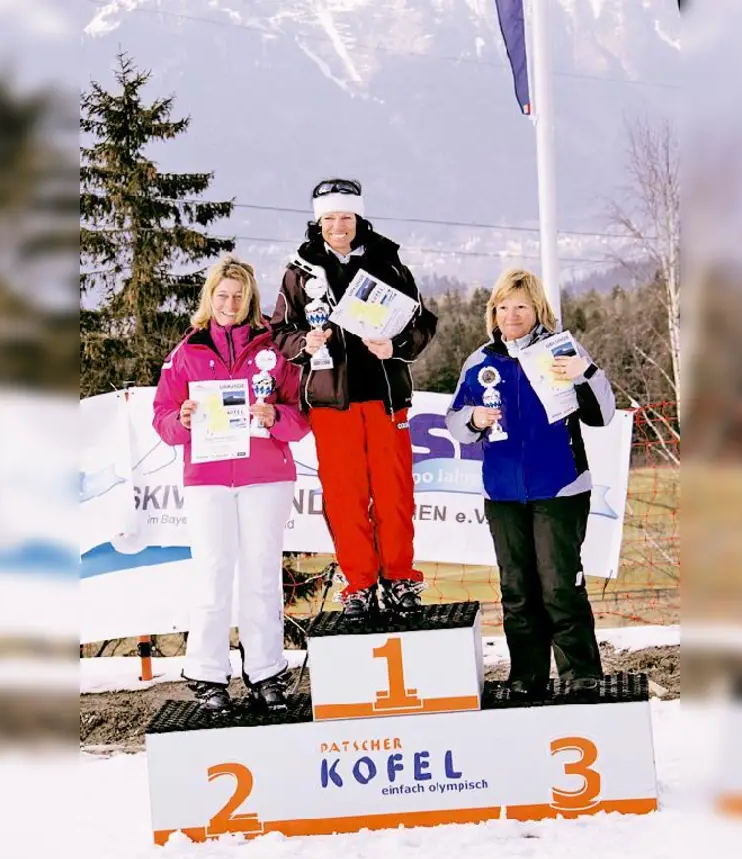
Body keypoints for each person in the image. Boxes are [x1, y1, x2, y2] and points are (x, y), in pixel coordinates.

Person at [269, 178, 437, 618]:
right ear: (318, 221)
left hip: (385, 399)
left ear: (358, 216)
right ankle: (360, 583)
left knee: (394, 494)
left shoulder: (388, 261)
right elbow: (278, 334)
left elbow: (422, 324)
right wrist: (304, 343)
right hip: (332, 402)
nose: (338, 226)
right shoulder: (299, 270)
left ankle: (400, 579)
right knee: (344, 497)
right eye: (329, 218)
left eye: (345, 216)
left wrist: (396, 345)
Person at [445, 269, 613, 702]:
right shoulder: (480, 361)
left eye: (520, 305)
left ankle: (580, 673)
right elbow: (456, 422)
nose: (511, 314)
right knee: (517, 589)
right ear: (493, 313)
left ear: (538, 309)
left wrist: (586, 371)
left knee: (559, 585)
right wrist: (474, 420)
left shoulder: (562, 351)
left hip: (559, 488)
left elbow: (603, 414)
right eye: (503, 306)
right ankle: (528, 676)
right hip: (503, 494)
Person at [153, 257, 310, 714]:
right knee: (213, 571)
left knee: (261, 572)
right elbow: (162, 419)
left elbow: (301, 418)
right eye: (222, 295)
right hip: (208, 479)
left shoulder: (275, 350)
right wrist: (180, 420)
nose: (230, 303)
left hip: (265, 476)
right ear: (210, 298)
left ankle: (266, 671)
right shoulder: (186, 352)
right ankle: (207, 673)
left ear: (250, 301)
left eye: (238, 297)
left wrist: (275, 416)